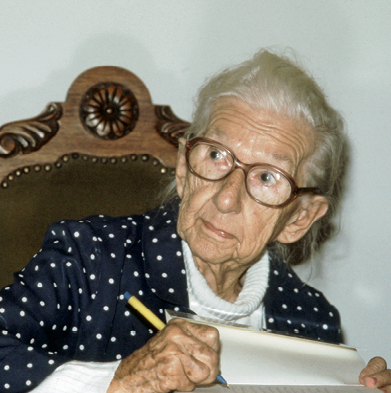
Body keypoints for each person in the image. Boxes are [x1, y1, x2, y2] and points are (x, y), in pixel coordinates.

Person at [0, 49, 389, 393]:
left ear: (299, 218)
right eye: (217, 156)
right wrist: (116, 383)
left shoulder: (310, 322)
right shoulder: (90, 259)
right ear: (185, 165)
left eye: (267, 177)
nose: (226, 197)